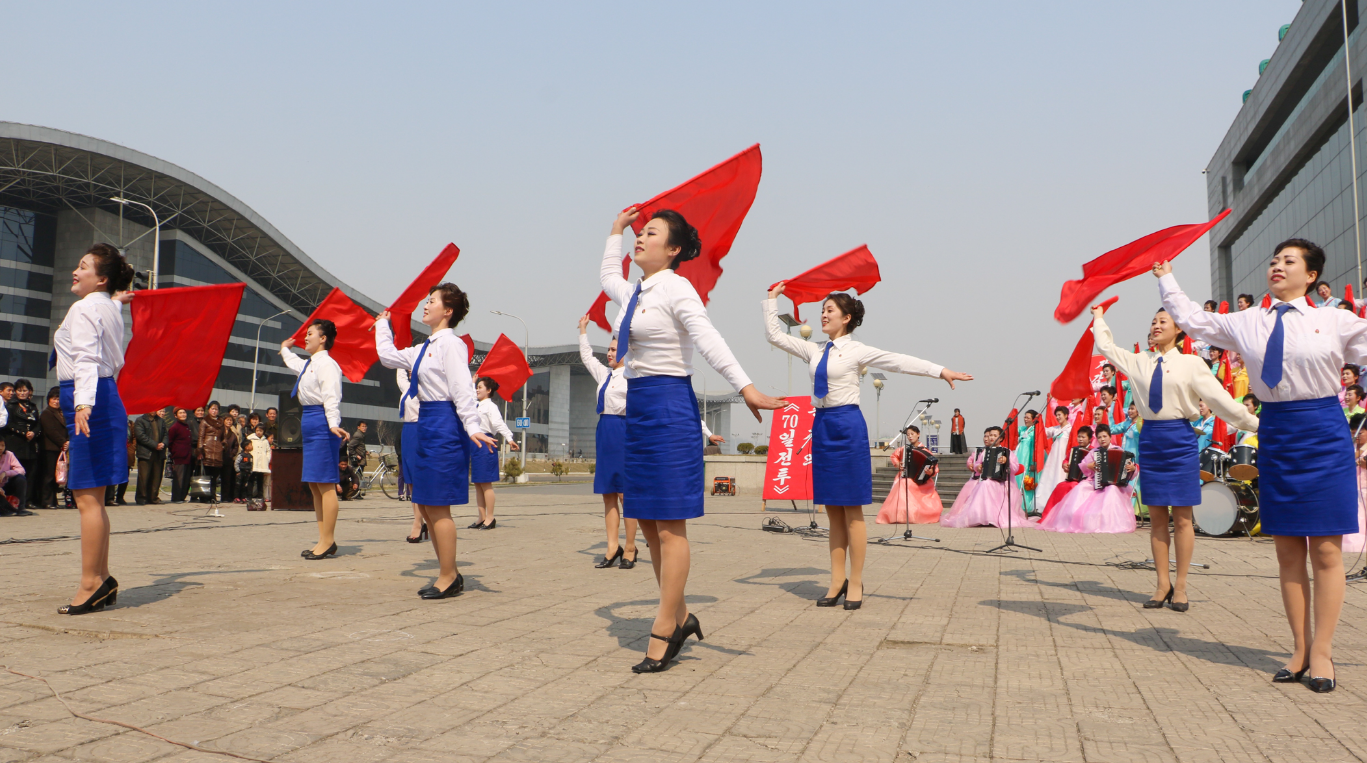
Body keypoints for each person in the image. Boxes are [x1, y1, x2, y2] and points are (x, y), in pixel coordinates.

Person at [1157, 238, 1365, 691]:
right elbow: (1193, 319)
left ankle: (1324, 652)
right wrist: (1166, 276)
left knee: (1326, 551)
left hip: (1323, 434)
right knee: (1288, 550)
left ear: (1311, 275)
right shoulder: (1249, 321)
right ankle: (1300, 650)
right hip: (1278, 433)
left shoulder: (1336, 320)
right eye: (1274, 260)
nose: (1277, 266)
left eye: (1289, 261)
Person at [604, 207, 786, 673]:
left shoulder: (678, 288)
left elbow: (708, 339)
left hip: (669, 408)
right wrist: (615, 231)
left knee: (670, 527)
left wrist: (746, 387)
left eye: (650, 233)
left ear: (673, 249)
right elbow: (607, 277)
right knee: (646, 523)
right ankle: (682, 614)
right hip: (639, 411)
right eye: (640, 232)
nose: (640, 238)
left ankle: (665, 626)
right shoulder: (635, 291)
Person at [765, 281, 971, 613]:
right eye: (822, 310)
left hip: (848, 427)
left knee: (851, 511)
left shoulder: (857, 350)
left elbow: (899, 361)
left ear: (846, 318)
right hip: (822, 426)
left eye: (829, 310)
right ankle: (837, 581)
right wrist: (771, 300)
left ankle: (857, 582)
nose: (823, 315)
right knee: (832, 511)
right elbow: (775, 336)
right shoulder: (814, 350)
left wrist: (941, 371)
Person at [1093, 303, 1257, 614]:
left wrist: (1257, 425)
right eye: (1153, 321)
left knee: (1182, 517)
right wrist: (1099, 317)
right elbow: (1106, 346)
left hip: (1181, 440)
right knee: (1157, 518)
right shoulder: (1139, 360)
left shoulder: (1192, 363)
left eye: (1163, 321)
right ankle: (1161, 584)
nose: (1156, 326)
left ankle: (1180, 586)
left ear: (1179, 328)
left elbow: (1221, 401)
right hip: (1151, 440)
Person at [374, 284, 497, 597]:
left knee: (439, 506)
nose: (425, 306)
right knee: (427, 505)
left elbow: (462, 389)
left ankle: (448, 576)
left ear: (448, 311)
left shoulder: (451, 344)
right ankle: (449, 571)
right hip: (426, 423)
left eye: (432, 301)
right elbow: (387, 357)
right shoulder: (423, 347)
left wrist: (472, 427)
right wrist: (383, 325)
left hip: (445, 425)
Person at [55, 243, 134, 614]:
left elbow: (86, 358)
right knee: (94, 498)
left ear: (101, 279)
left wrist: (83, 403)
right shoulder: (105, 306)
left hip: (89, 397)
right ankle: (100, 578)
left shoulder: (85, 307)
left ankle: (90, 583)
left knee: (86, 497)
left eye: (83, 266)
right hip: (102, 395)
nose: (76, 270)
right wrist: (119, 299)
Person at [280, 320, 350, 560]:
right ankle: (323, 539)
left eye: (310, 333)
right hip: (309, 421)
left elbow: (332, 397)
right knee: (314, 484)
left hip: (322, 422)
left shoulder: (328, 364)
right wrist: (285, 348)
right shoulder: (310, 364)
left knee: (325, 483)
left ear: (323, 338)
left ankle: (328, 540)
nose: (305, 337)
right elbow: (293, 363)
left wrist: (333, 424)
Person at [578, 315, 637, 567]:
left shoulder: (633, 376)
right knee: (608, 494)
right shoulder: (605, 374)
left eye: (614, 350)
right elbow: (587, 357)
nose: (609, 353)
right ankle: (613, 547)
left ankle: (631, 547)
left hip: (624, 432)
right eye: (609, 350)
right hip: (605, 432)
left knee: (625, 494)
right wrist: (583, 331)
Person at [1036, 425, 1138, 533]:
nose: (1102, 439)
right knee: (1080, 488)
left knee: (1111, 490)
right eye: (1099, 437)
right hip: (1095, 481)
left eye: (1104, 436)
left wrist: (1133, 468)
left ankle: (1109, 522)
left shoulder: (1119, 450)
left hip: (1114, 484)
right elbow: (1083, 464)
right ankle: (1075, 520)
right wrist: (1089, 466)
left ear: (1110, 437)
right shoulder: (1094, 452)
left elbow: (1132, 468)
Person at [941, 426, 1029, 528]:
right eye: (990, 435)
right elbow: (977, 464)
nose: (992, 437)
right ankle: (980, 517)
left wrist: (1006, 461)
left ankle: (991, 518)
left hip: (1003, 482)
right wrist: (978, 467)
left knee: (986, 484)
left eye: (995, 435)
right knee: (985, 484)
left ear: (1001, 438)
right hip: (987, 480)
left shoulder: (1007, 452)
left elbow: (1015, 468)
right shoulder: (984, 452)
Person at [470, 377, 518, 529]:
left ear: (489, 390)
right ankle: (481, 517)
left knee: (486, 484)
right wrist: (472, 383)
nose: (477, 390)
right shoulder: (475, 404)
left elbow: (498, 423)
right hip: (475, 444)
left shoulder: (491, 406)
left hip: (486, 444)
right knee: (478, 484)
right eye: (477, 387)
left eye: (480, 387)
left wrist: (509, 438)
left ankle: (490, 518)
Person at [876, 425, 943, 525]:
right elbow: (893, 456)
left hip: (921, 479)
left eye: (912, 434)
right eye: (908, 435)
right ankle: (901, 514)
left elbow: (935, 467)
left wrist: (931, 471)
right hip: (905, 475)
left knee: (908, 484)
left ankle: (916, 514)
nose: (910, 436)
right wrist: (898, 464)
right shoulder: (903, 449)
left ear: (918, 434)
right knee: (904, 483)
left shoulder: (925, 450)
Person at [395, 366, 425, 543]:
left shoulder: (426, 390)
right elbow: (400, 376)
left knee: (418, 478)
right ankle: (419, 519)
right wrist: (402, 358)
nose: (410, 371)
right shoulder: (407, 388)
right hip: (407, 432)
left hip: (419, 431)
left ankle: (418, 523)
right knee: (410, 480)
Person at [1036, 402, 1083, 514]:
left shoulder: (1070, 429)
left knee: (1060, 477)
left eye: (1059, 415)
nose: (1057, 417)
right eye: (1056, 415)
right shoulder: (1055, 429)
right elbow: (1043, 431)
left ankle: (1059, 505)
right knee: (1049, 478)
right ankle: (1043, 505)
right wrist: (1038, 420)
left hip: (1063, 459)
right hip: (1053, 459)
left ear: (1066, 415)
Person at [1041, 426, 1092, 520]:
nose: (1080, 439)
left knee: (1072, 486)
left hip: (1087, 480)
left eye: (1083, 437)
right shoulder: (1073, 449)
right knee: (1060, 486)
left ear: (1090, 439)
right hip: (1073, 478)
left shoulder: (1093, 450)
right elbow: (1066, 460)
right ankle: (1052, 515)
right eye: (1079, 436)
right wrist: (1065, 465)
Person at [4, 379, 40, 509]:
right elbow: (9, 424)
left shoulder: (33, 407)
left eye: (25, 390)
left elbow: (38, 424)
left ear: (29, 391)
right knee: (16, 474)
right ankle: (13, 500)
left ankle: (27, 500)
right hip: (15, 443)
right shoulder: (10, 406)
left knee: (30, 474)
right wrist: (24, 432)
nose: (22, 393)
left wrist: (33, 433)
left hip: (30, 445)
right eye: (19, 390)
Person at [39, 388, 67, 509]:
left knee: (58, 475)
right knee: (49, 475)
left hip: (60, 449)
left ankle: (54, 500)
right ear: (49, 400)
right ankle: (46, 500)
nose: (56, 401)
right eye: (54, 399)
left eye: (58, 399)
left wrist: (67, 442)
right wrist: (63, 442)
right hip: (49, 448)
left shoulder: (62, 412)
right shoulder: (46, 413)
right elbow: (51, 431)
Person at [133, 409, 166, 505]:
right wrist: (155, 445)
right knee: (144, 477)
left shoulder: (161, 421)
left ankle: (153, 497)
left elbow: (165, 435)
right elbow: (141, 436)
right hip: (146, 453)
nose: (154, 411)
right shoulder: (140, 420)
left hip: (159, 453)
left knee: (156, 477)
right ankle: (141, 498)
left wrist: (163, 444)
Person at [196, 402, 226, 502]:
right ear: (208, 410)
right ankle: (204, 497)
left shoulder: (221, 422)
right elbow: (201, 437)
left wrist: (223, 445)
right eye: (212, 409)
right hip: (207, 449)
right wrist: (200, 450)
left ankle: (213, 496)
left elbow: (223, 437)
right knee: (206, 475)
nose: (214, 411)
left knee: (214, 476)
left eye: (216, 409)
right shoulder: (204, 421)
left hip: (217, 451)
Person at [1014, 410, 1041, 515]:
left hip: (1028, 460)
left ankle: (1027, 506)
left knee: (1026, 482)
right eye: (1024, 417)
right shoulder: (1022, 429)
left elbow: (1036, 448)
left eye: (1028, 418)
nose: (1025, 419)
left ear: (1034, 419)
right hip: (1019, 458)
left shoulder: (1035, 431)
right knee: (1017, 480)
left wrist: (1033, 462)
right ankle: (1016, 504)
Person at [167, 408, 194, 503]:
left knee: (186, 478)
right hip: (179, 456)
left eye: (184, 412)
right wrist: (175, 452)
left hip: (188, 456)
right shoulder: (174, 427)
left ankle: (182, 497)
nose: (183, 414)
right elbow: (170, 442)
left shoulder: (187, 426)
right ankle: (176, 497)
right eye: (180, 413)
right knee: (179, 478)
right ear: (176, 415)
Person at [0, 439, 32, 516]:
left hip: (5, 485)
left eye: (3, 445)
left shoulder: (9, 454)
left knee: (20, 479)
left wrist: (6, 473)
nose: (0, 448)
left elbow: (21, 470)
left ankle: (20, 508)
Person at [247, 423, 271, 504]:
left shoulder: (265, 441)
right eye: (257, 430)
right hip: (253, 462)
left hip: (262, 463)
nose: (258, 432)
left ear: (263, 431)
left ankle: (260, 496)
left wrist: (267, 459)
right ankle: (249, 496)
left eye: (260, 431)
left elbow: (268, 451)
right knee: (251, 479)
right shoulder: (250, 438)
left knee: (260, 480)